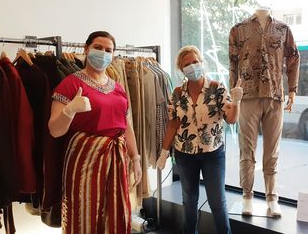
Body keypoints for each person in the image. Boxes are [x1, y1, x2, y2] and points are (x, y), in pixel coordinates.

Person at [48, 31, 142, 234]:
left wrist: (135, 158)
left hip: (116, 160)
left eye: (108, 50)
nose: (103, 53)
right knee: (84, 212)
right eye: (98, 47)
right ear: (86, 49)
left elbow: (126, 127)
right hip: (85, 161)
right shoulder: (71, 84)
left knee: (116, 211)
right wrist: (69, 109)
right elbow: (54, 130)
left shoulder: (117, 88)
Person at [156, 45, 243, 234]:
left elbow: (231, 119)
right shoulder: (178, 93)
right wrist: (164, 152)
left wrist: (236, 102)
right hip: (184, 154)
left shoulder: (216, 88)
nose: (192, 66)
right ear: (181, 70)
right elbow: (173, 124)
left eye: (195, 62)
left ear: (201, 62)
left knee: (217, 202)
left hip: (213, 153)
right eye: (187, 64)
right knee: (189, 201)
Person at [229, 7, 300, 216]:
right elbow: (232, 63)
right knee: (247, 150)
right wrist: (234, 94)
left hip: (274, 96)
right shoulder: (238, 29)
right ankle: (247, 196)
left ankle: (272, 198)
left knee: (272, 152)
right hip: (247, 96)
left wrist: (293, 90)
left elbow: (294, 58)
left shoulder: (283, 29)